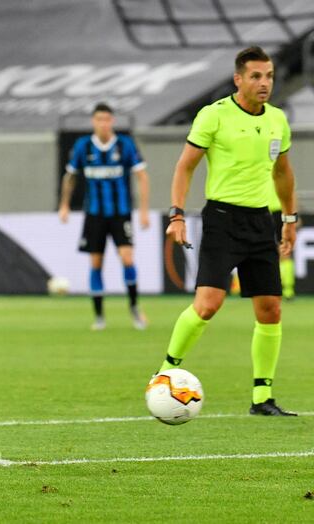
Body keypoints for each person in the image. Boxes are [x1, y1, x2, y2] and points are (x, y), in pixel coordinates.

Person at [160, 46, 297, 416]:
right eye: (256, 76)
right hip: (221, 220)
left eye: (268, 75)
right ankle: (166, 372)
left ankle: (262, 398)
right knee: (208, 305)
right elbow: (185, 167)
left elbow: (282, 172)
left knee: (270, 309)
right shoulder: (214, 115)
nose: (264, 82)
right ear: (238, 79)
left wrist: (289, 219)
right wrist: (176, 215)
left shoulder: (277, 121)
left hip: (260, 222)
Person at [59, 103, 150, 331]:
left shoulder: (125, 145)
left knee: (127, 258)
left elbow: (142, 176)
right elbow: (70, 177)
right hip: (94, 215)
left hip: (120, 214)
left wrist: (144, 210)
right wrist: (64, 205)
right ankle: (99, 317)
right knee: (96, 263)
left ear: (112, 121)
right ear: (93, 121)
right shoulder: (83, 147)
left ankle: (134, 307)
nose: (104, 123)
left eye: (108, 119)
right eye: (99, 119)